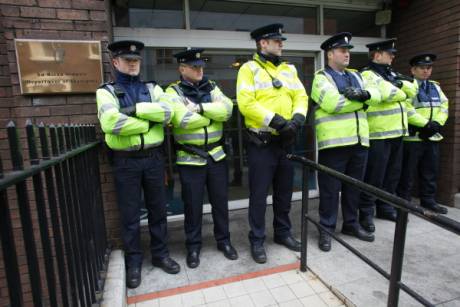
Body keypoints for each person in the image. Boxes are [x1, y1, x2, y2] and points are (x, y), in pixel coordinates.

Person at [96, 40, 180, 289]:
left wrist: (134, 109)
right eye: (127, 60)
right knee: (130, 216)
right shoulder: (106, 91)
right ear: (115, 62)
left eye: (136, 60)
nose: (133, 64)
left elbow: (168, 113)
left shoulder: (152, 88)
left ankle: (160, 254)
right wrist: (147, 123)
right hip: (126, 161)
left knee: (158, 210)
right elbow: (111, 123)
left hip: (154, 158)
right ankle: (134, 262)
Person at [236, 23, 308, 263]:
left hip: (285, 142)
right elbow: (246, 103)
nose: (281, 43)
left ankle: (282, 233)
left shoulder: (289, 69)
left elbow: (301, 96)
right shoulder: (249, 69)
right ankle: (257, 240)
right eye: (276, 40)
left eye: (281, 40)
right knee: (258, 196)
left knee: (284, 193)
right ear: (262, 43)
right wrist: (277, 121)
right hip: (262, 143)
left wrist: (296, 121)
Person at [164, 48, 237, 269]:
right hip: (190, 159)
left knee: (220, 204)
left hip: (216, 156)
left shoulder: (212, 86)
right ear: (182, 68)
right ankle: (193, 247)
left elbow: (227, 110)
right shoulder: (172, 91)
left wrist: (198, 108)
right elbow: (182, 119)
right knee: (192, 207)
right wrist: (209, 117)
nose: (199, 70)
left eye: (201, 66)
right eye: (194, 67)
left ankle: (223, 241)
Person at [311, 32, 380, 252]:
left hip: (359, 142)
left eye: (348, 50)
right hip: (335, 144)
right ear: (330, 53)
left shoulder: (357, 75)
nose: (347, 54)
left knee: (354, 188)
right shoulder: (321, 77)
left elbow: (375, 95)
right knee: (330, 190)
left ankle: (351, 224)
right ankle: (326, 229)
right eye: (342, 50)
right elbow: (333, 104)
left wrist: (365, 97)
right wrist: (362, 102)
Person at [358, 39, 429, 232]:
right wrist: (400, 89)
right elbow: (384, 94)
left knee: (392, 175)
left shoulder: (391, 73)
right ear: (377, 54)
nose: (393, 56)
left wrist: (398, 87)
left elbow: (413, 89)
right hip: (378, 134)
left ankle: (385, 207)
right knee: (374, 176)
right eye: (390, 53)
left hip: (397, 133)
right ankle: (365, 212)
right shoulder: (367, 74)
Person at [396, 53, 449, 214]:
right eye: (422, 68)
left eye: (429, 67)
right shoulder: (408, 86)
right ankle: (404, 203)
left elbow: (444, 106)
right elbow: (406, 108)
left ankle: (428, 200)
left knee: (430, 171)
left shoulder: (435, 86)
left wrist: (437, 124)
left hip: (432, 137)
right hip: (414, 138)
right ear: (413, 70)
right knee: (408, 174)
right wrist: (425, 125)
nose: (426, 71)